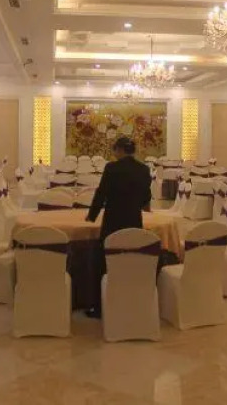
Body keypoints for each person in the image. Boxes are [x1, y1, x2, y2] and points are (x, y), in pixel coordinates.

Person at [85, 136, 152, 318]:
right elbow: (146, 198)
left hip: (113, 221)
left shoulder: (112, 168)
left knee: (105, 261)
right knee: (132, 258)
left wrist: (92, 216)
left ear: (120, 150)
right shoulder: (144, 169)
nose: (114, 154)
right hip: (134, 220)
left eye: (114, 150)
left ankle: (100, 307)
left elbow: (101, 194)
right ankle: (131, 300)